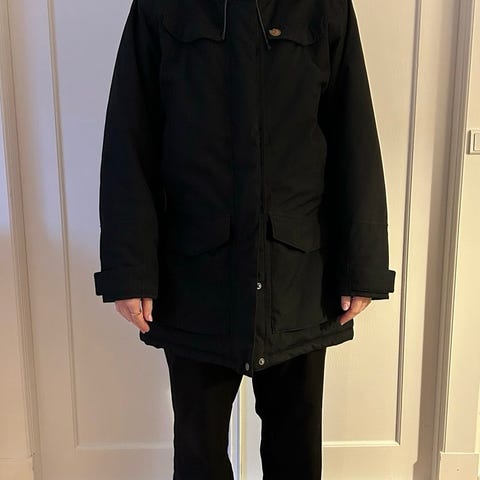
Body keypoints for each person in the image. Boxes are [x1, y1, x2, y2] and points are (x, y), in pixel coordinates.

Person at [93, 0, 396, 478]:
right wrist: (128, 269)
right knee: (199, 456)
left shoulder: (323, 5)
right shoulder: (159, 6)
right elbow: (131, 137)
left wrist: (363, 266)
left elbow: (352, 133)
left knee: (295, 454)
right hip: (195, 278)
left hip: (297, 276)